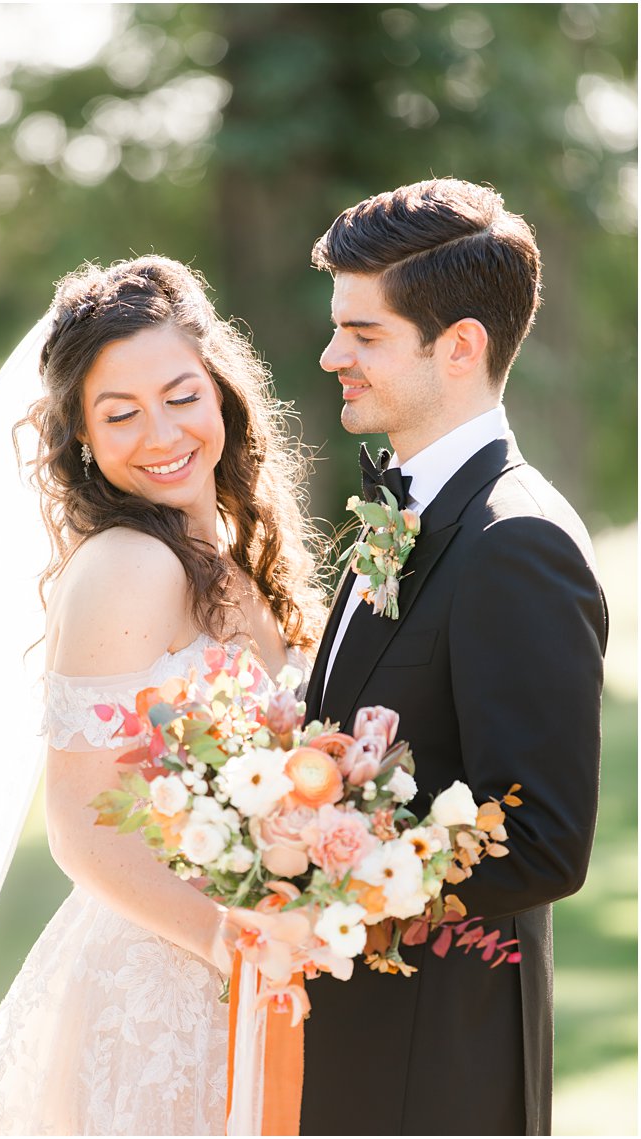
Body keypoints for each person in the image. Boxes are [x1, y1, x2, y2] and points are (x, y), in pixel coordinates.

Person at [0, 255, 330, 1134]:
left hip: (264, 964)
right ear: (81, 438)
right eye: (120, 414)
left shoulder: (237, 562)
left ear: (222, 394)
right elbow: (81, 824)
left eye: (180, 396)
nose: (160, 434)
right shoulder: (128, 567)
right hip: (165, 985)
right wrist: (227, 939)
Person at [300, 178, 607, 1135]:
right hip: (352, 1038)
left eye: (365, 334)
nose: (330, 354)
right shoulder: (407, 509)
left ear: (461, 345)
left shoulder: (517, 540)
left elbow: (545, 836)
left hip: (433, 1069)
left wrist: (331, 869)